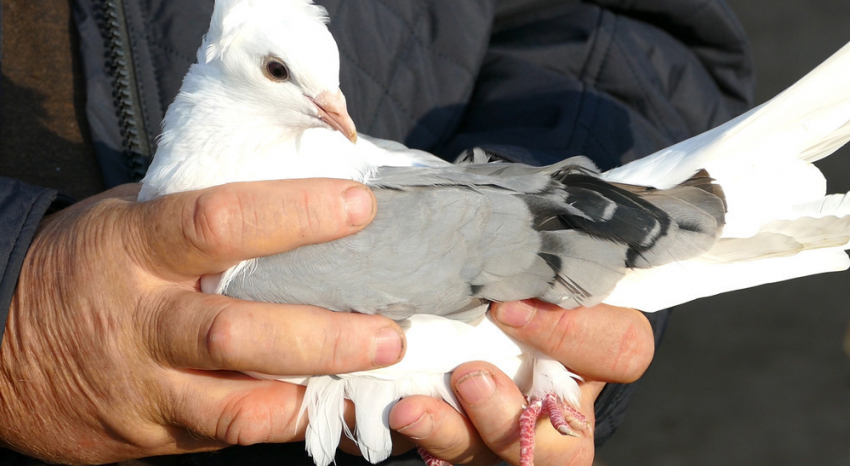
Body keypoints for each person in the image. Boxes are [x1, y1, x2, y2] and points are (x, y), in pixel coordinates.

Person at [0, 0, 753, 464]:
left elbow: (621, 18)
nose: (335, 112)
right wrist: (14, 303)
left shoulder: (329, 172)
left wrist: (550, 274)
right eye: (278, 75)